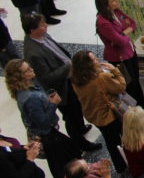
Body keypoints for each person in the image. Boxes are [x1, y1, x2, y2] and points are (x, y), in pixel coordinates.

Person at [21, 12, 95, 152]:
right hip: (61, 88)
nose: (45, 26)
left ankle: (81, 127)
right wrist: (67, 67)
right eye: (42, 25)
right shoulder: (33, 53)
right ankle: (80, 142)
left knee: (77, 108)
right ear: (32, 30)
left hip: (69, 78)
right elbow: (46, 78)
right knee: (71, 115)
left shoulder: (43, 35)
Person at [5, 58, 81, 178]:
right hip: (47, 134)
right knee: (62, 161)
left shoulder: (28, 88)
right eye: (27, 70)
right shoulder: (30, 98)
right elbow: (43, 121)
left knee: (59, 160)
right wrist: (53, 104)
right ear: (20, 77)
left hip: (47, 133)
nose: (31, 70)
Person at [69, 50, 128, 172]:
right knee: (125, 135)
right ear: (87, 65)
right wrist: (115, 71)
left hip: (94, 116)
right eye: (94, 59)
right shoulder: (101, 77)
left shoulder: (76, 79)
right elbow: (120, 87)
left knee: (111, 142)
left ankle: (120, 166)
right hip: (111, 114)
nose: (97, 60)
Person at [95, 0, 144, 115]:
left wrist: (123, 33)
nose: (116, 2)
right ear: (105, 4)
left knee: (136, 81)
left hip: (130, 52)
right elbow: (120, 41)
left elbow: (132, 24)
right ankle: (136, 114)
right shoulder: (103, 22)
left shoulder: (116, 12)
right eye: (113, 1)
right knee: (129, 86)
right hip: (119, 58)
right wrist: (122, 35)